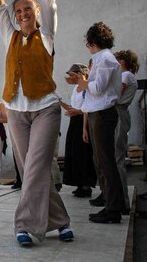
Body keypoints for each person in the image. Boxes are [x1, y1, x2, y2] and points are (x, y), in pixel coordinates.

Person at [0, 0, 72, 245]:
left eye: (27, 10)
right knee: (32, 170)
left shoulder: (46, 36)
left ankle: (24, 224)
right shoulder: (9, 36)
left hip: (46, 108)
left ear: (37, 14)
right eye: (18, 11)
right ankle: (60, 221)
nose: (22, 14)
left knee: (35, 167)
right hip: (17, 112)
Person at [70, 22, 125, 224]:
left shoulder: (104, 59)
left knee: (106, 162)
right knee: (101, 161)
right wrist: (81, 82)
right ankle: (111, 204)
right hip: (99, 113)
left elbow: (98, 88)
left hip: (102, 114)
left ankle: (113, 209)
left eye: (87, 42)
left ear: (92, 41)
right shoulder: (103, 58)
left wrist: (80, 81)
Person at [61, 64, 96, 197]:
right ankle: (79, 183)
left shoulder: (88, 86)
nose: (71, 77)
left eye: (73, 74)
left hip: (84, 121)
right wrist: (64, 105)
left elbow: (88, 107)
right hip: (74, 121)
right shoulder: (76, 88)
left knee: (84, 153)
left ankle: (87, 185)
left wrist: (77, 112)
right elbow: (74, 106)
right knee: (74, 152)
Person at [114, 50, 139, 214]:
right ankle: (119, 200)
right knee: (116, 158)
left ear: (122, 62)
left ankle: (122, 202)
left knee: (117, 158)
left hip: (119, 113)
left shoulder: (126, 76)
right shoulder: (127, 76)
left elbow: (115, 94)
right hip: (120, 113)